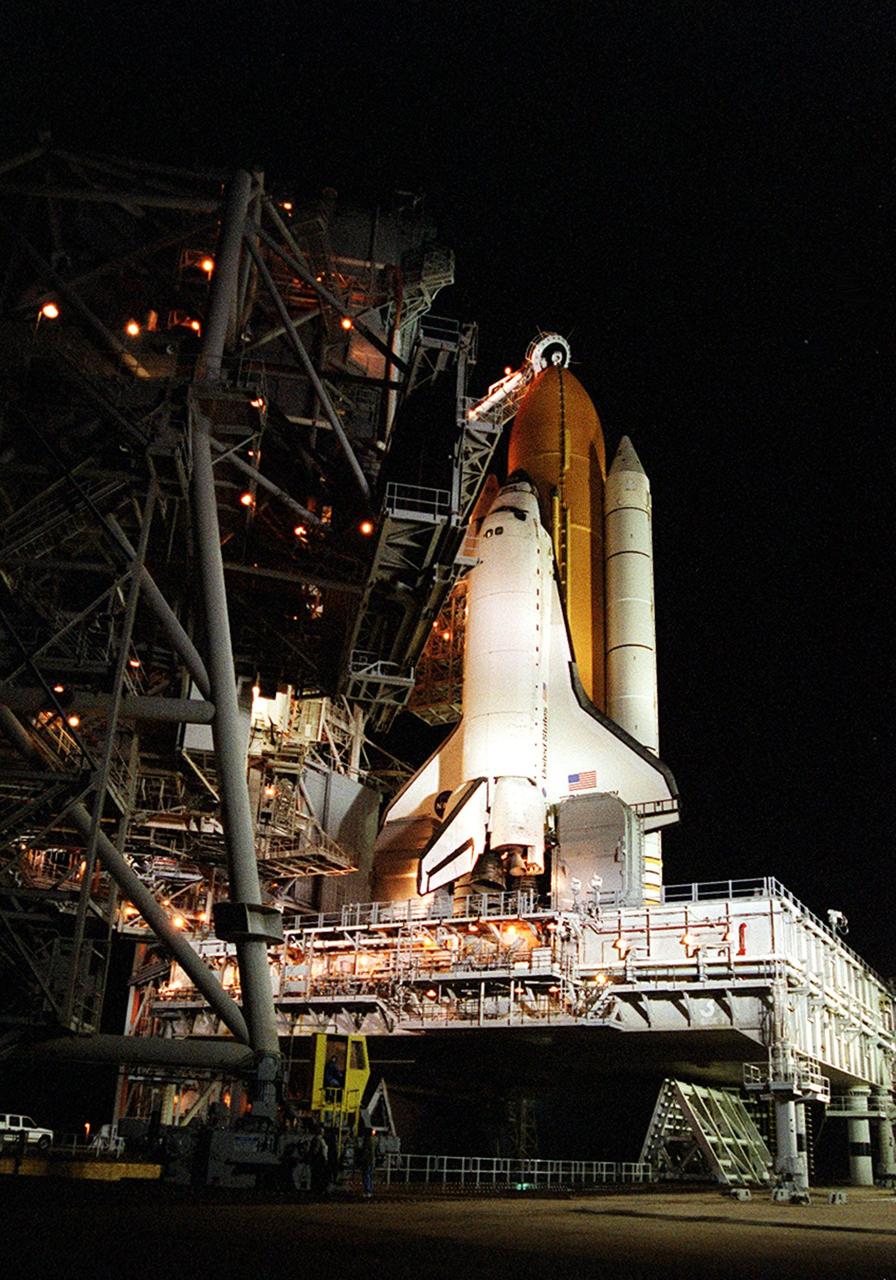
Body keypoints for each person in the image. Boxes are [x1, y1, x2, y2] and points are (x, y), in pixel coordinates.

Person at [308, 1125, 329, 1196]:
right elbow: (318, 1150)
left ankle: (316, 1189)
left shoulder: (315, 1139)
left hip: (317, 1159)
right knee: (319, 1175)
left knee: (316, 1174)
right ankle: (319, 1189)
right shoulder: (319, 1140)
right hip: (319, 1159)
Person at [361, 1126, 377, 1198]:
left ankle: (367, 1190)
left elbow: (366, 1151)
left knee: (366, 1175)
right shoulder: (373, 1140)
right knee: (369, 1175)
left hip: (367, 1160)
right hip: (370, 1160)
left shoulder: (367, 1140)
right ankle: (369, 1190)